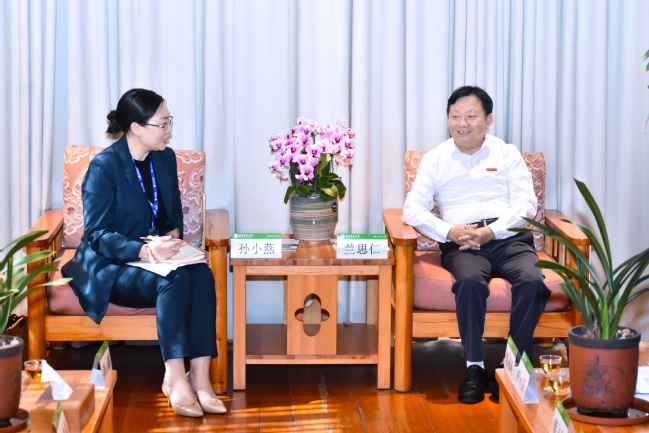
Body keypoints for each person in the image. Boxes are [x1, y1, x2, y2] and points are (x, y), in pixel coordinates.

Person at [62, 88, 225, 417]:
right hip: (112, 264)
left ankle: (201, 378)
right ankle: (174, 378)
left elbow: (172, 217)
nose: (169, 130)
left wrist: (171, 238)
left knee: (202, 274)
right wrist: (145, 250)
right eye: (162, 124)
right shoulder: (104, 167)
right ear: (136, 128)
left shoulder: (164, 158)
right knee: (177, 280)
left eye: (169, 122)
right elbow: (97, 235)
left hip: (156, 257)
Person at [402, 85, 551, 404]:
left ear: (488, 119)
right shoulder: (435, 159)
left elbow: (526, 204)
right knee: (469, 283)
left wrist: (493, 231)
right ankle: (474, 367)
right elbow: (412, 210)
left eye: (471, 116)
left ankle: (511, 367)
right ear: (447, 119)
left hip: (508, 239)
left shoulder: (506, 153)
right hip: (462, 243)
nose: (462, 123)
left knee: (533, 281)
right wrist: (449, 231)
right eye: (455, 116)